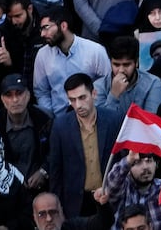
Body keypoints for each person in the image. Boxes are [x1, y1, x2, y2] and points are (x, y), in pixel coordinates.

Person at [48, 73, 126, 219]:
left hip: (108, 196)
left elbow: (124, 160)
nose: (78, 105)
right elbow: (56, 171)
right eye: (72, 100)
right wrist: (56, 208)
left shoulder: (114, 119)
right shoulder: (60, 126)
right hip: (76, 202)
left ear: (94, 94)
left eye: (82, 98)